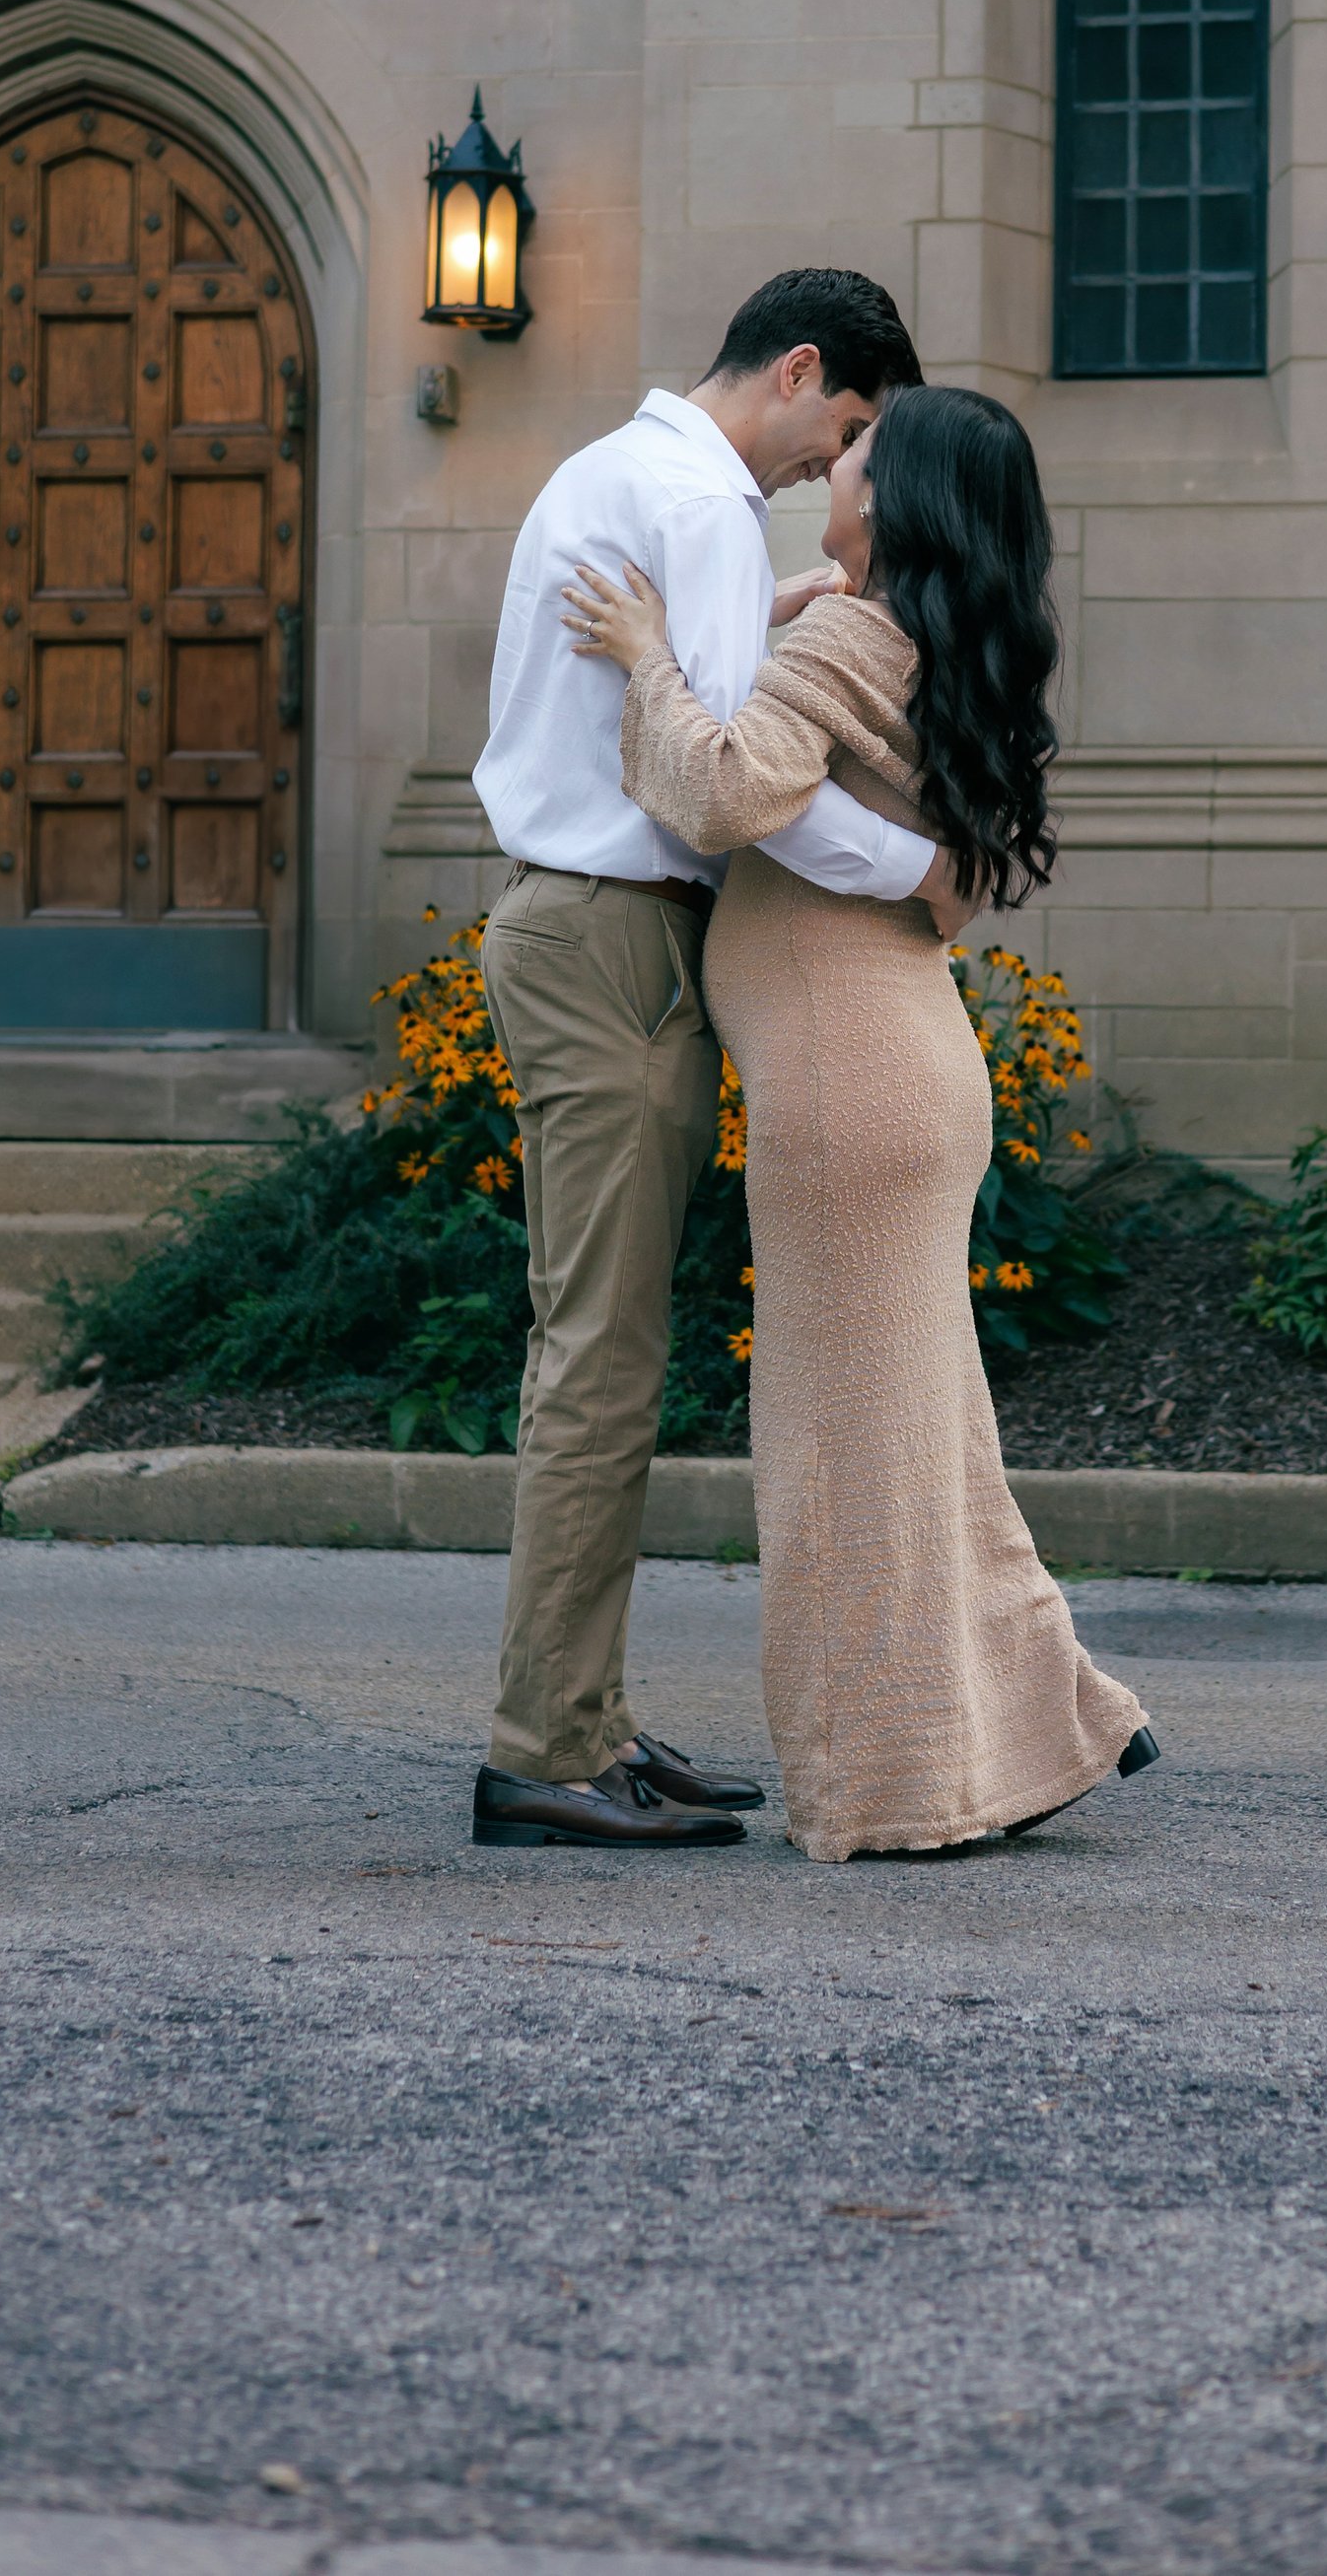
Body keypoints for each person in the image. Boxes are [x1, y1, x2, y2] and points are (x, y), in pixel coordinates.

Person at [562, 383, 1157, 1862]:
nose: (827, 468)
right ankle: (1042, 1723)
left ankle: (888, 1781)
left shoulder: (844, 635)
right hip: (907, 1069)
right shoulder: (917, 638)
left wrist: (647, 654)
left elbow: (715, 788)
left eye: (855, 459)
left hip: (846, 1083)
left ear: (888, 505)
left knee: (842, 1454)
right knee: (925, 1438)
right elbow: (927, 862)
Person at [467, 268, 978, 1854]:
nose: (840, 475)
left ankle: (591, 1718)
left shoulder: (614, 472)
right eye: (848, 437)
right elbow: (723, 788)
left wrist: (764, 614)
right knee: (603, 1358)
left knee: (604, 1345)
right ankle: (548, 1745)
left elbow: (679, 695)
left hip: (592, 931)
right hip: (615, 936)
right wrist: (927, 872)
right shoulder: (696, 501)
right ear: (808, 370)